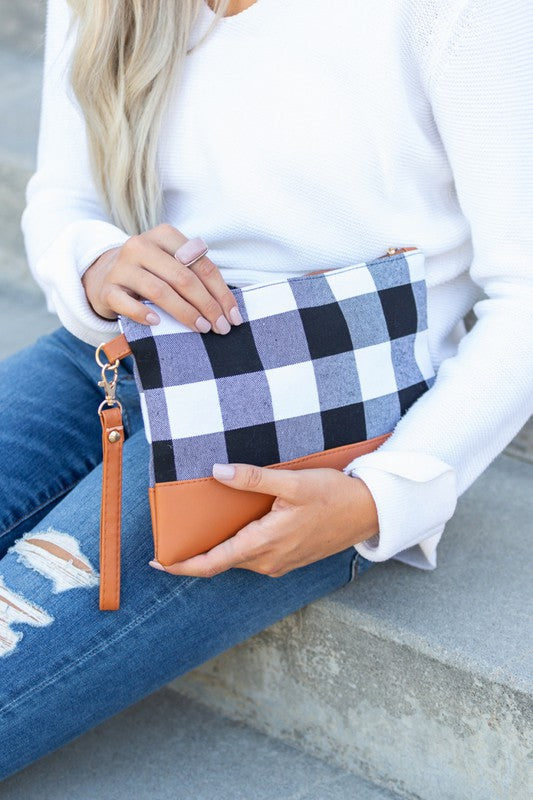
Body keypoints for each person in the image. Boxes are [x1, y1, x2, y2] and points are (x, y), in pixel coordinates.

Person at [1, 0, 531, 780]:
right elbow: (64, 197)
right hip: (118, 352)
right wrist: (93, 261)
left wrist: (382, 496)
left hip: (309, 418)